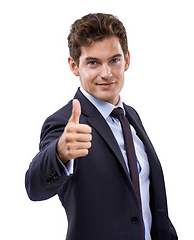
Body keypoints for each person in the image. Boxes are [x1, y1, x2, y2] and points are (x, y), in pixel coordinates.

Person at [25, 13, 178, 240]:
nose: (106, 74)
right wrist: (59, 153)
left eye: (114, 60)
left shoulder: (130, 116)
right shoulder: (65, 123)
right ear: (74, 66)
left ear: (127, 59)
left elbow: (146, 198)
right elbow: (35, 187)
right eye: (93, 63)